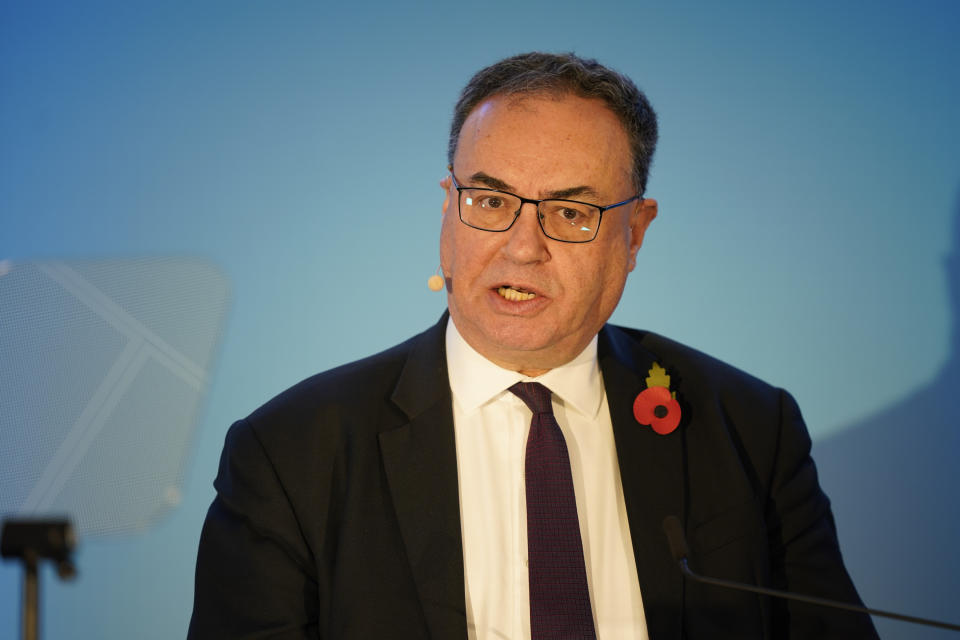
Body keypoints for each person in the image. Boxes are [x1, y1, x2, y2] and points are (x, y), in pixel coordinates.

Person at [188, 52, 878, 639]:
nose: (522, 247)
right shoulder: (291, 452)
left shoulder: (749, 430)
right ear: (447, 210)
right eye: (490, 202)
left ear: (635, 233)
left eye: (570, 213)